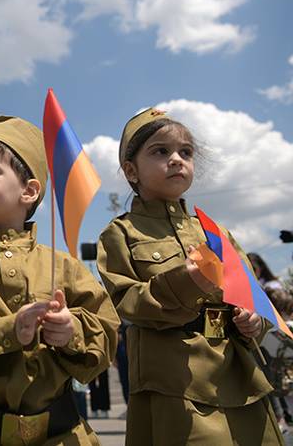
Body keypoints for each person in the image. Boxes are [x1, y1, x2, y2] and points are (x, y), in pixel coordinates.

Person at [0, 115, 120, 445]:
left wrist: (71, 331)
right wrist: (10, 331)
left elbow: (106, 334)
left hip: (63, 436)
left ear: (28, 191)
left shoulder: (63, 265)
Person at [96, 107, 284, 445]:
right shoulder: (120, 233)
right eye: (160, 151)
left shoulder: (213, 230)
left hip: (238, 375)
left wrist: (254, 320)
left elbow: (253, 295)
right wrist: (185, 282)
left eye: (186, 152)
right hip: (173, 382)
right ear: (131, 170)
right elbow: (125, 302)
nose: (176, 159)